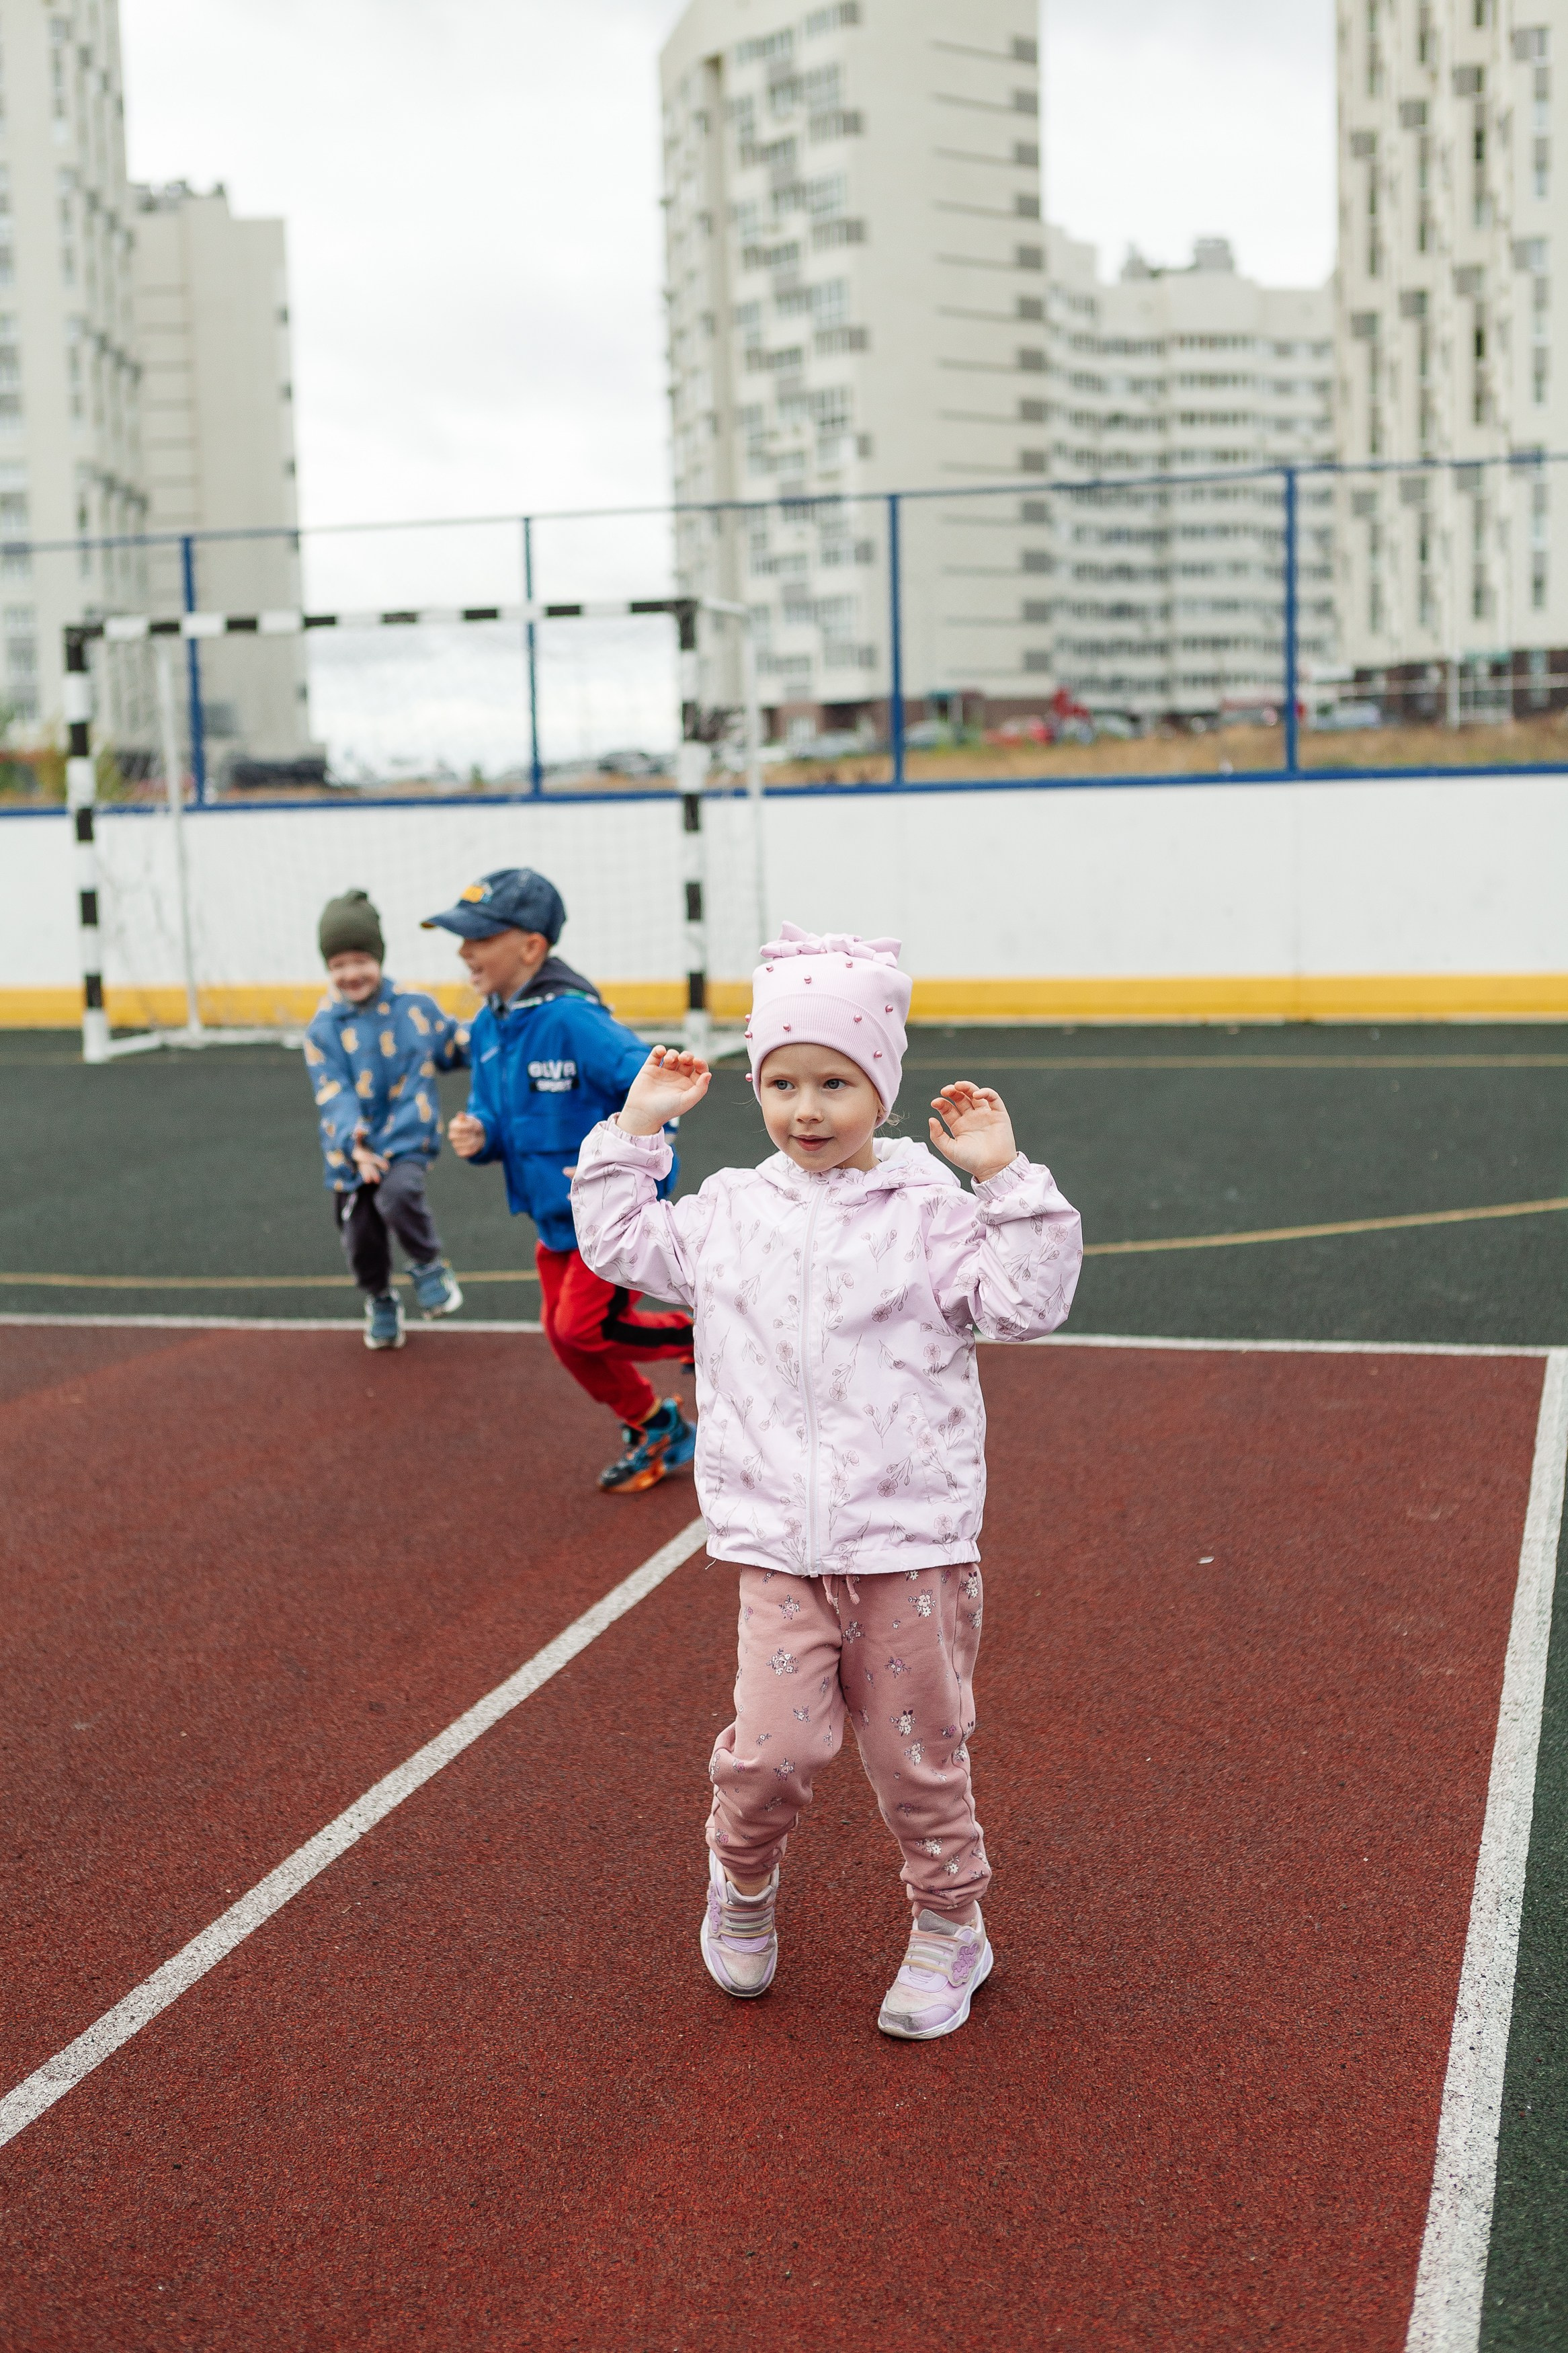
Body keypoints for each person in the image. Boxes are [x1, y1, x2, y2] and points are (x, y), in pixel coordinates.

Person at [570, 924, 1083, 2041]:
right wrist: (637, 1128)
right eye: (785, 1082)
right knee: (772, 1753)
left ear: (880, 1089)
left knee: (916, 1760)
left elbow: (1028, 1304)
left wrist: (1003, 1179)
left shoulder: (931, 1214)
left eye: (836, 1083)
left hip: (907, 1543)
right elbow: (614, 1244)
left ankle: (952, 1928)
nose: (807, 1108)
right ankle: (741, 1888)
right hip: (776, 1549)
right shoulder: (729, 1216)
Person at [425, 865, 699, 1492]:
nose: (464, 950)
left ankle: (709, 1335)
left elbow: (646, 1080)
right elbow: (494, 1107)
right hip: (554, 1215)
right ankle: (656, 1423)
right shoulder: (489, 1024)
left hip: (608, 1213)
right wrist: (480, 1132)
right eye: (461, 937)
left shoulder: (572, 1020)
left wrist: (640, 1157)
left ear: (530, 947)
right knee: (564, 1336)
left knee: (586, 1326)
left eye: (479, 937)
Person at [304, 888, 468, 1351]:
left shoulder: (414, 1010)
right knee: (361, 1238)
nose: (350, 973)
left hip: (405, 1139)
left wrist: (499, 1037)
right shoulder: (322, 1030)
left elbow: (458, 1044)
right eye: (338, 965)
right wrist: (354, 1144)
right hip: (350, 1153)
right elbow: (331, 1092)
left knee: (398, 1196)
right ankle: (379, 1298)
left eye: (360, 960)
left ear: (378, 957)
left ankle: (429, 1265)